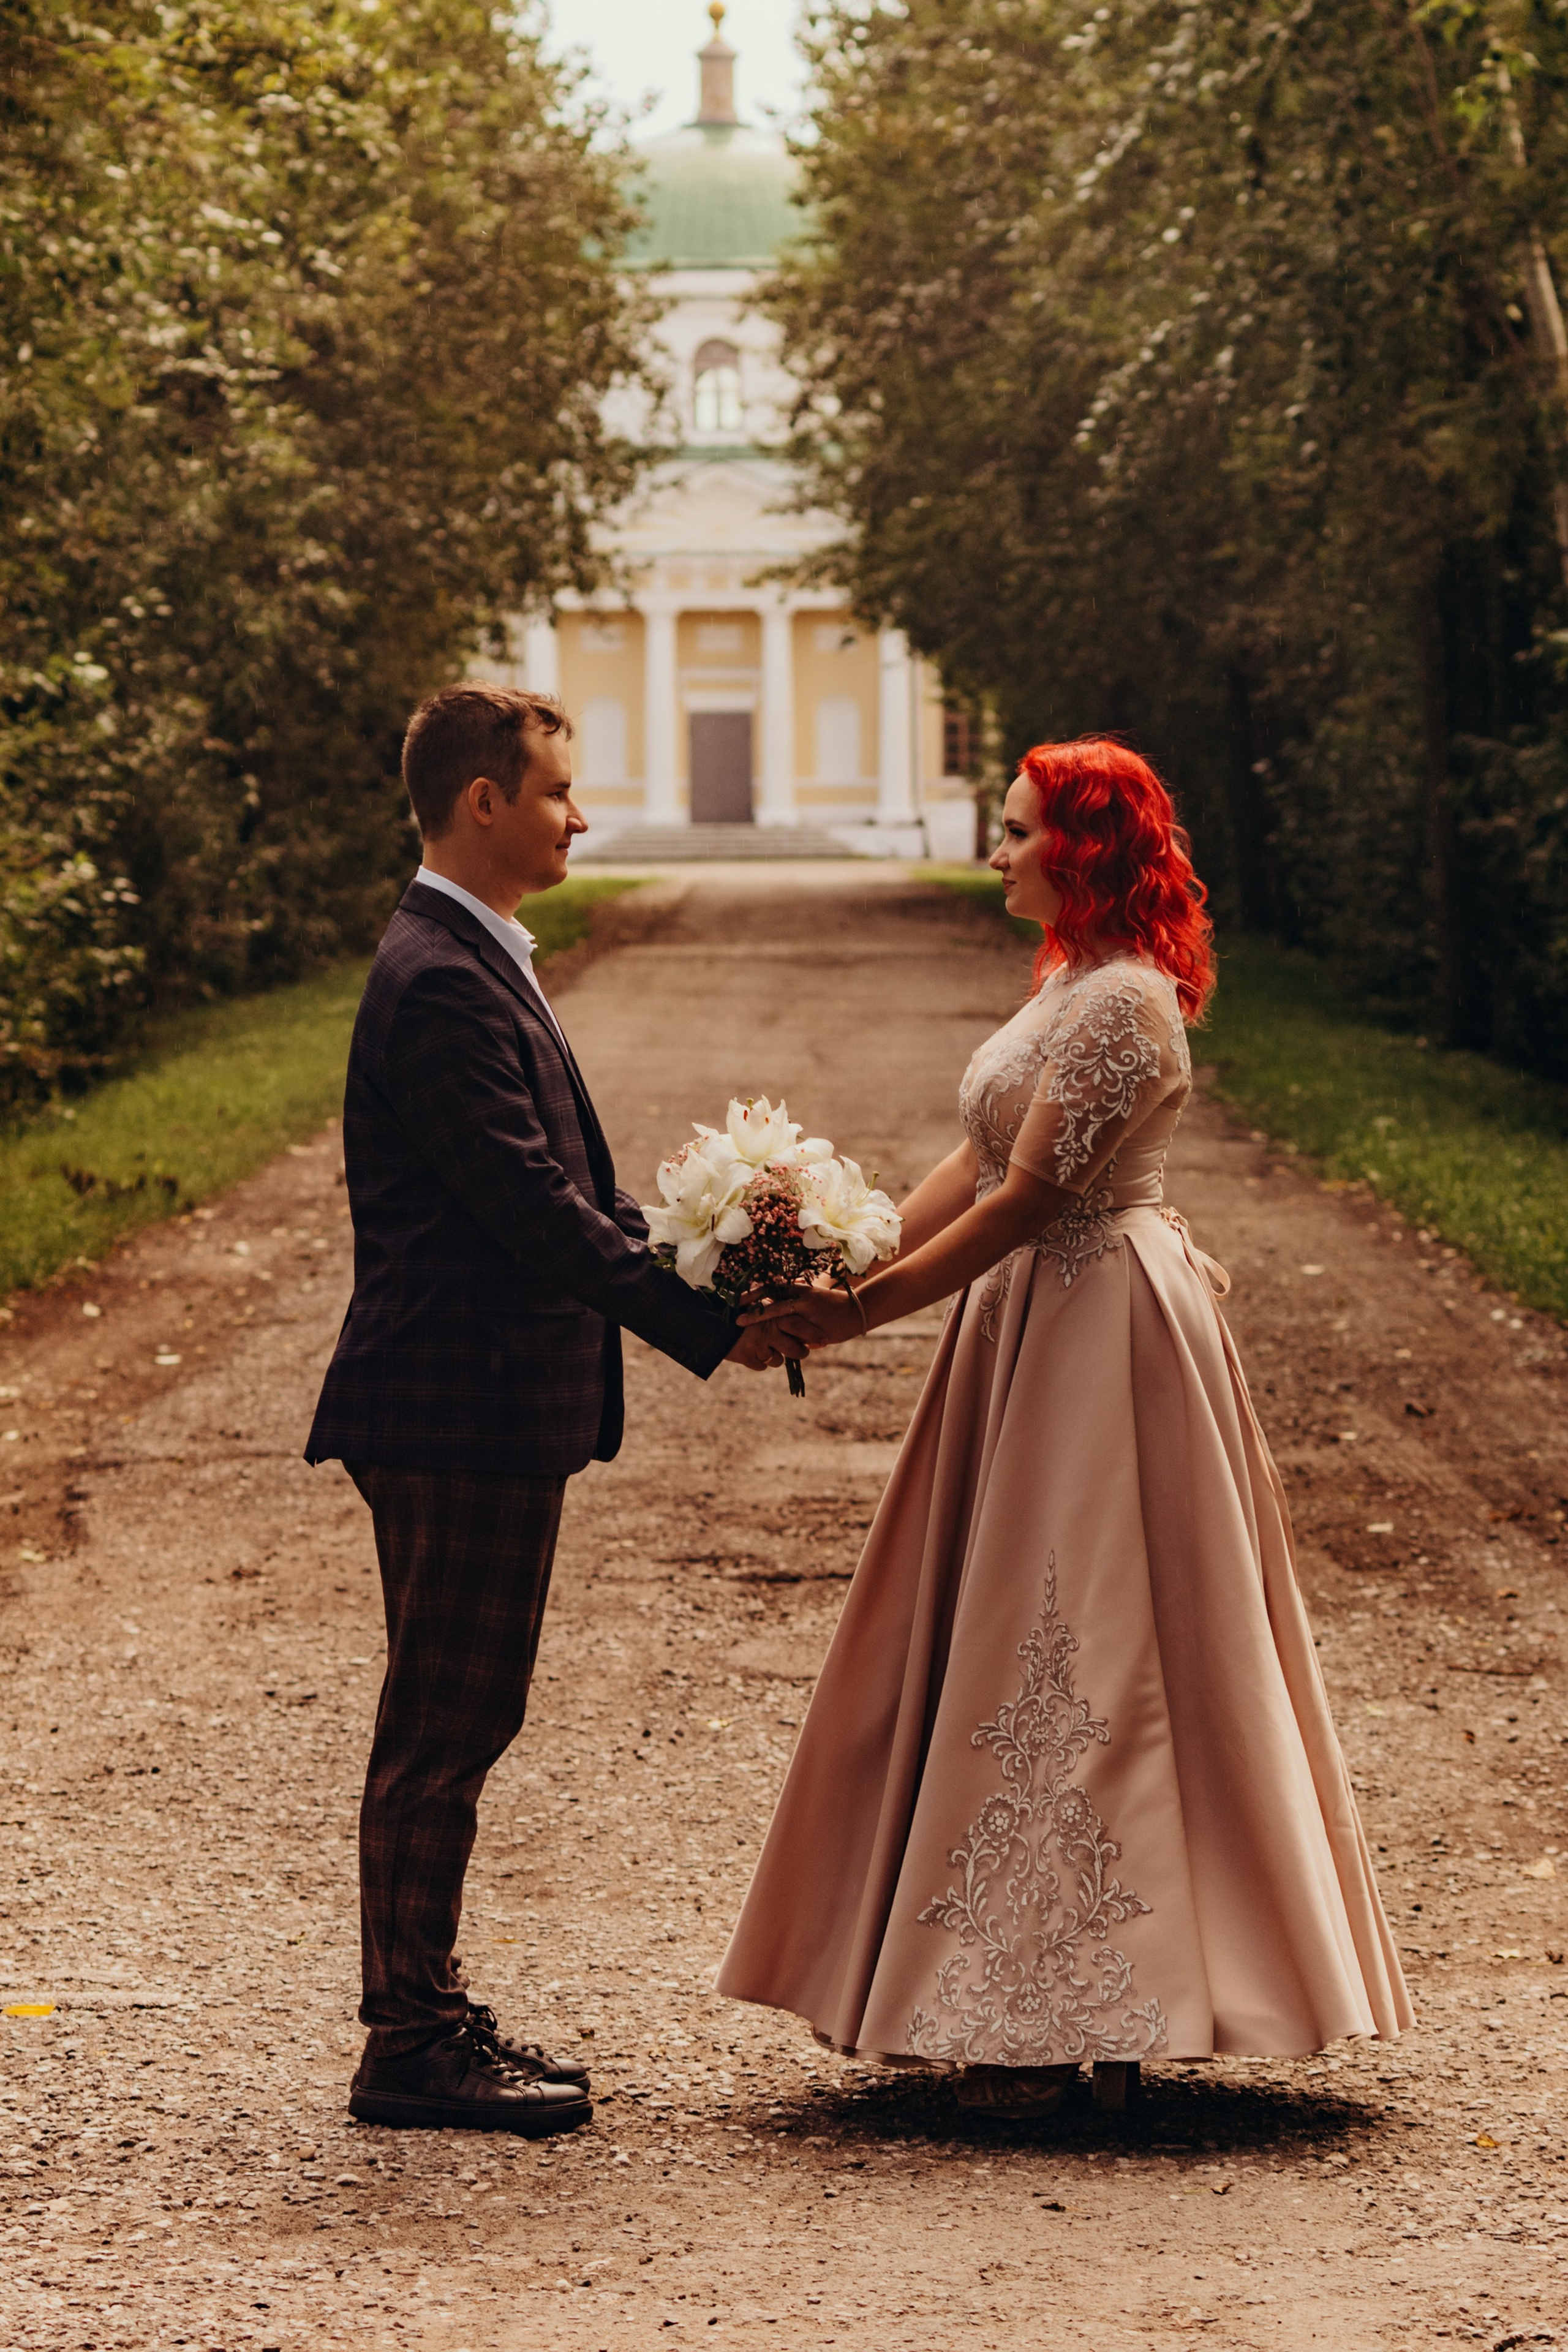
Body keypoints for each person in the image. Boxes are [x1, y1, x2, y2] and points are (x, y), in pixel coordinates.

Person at [722, 736, 1411, 2116]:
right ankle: (1017, 1998)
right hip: (1028, 1323)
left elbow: (1030, 1202)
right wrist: (838, 1256)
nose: (998, 849)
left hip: (1102, 1333)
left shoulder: (1126, 1005)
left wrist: (857, 1319)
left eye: (1019, 829)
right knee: (1005, 1623)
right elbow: (977, 1162)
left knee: (1091, 1631)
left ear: (1082, 849)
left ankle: (1074, 2009)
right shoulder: (1067, 985)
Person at [304, 682, 797, 2137]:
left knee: (460, 1715)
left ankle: (423, 2018)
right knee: (442, 1726)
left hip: (474, 1405)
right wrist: (710, 1326)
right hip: (452, 1404)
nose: (578, 817)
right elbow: (528, 1206)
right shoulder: (441, 976)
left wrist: (719, 1261)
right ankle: (410, 2043)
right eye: (558, 792)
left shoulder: (468, 954)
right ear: (484, 802)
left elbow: (569, 1191)